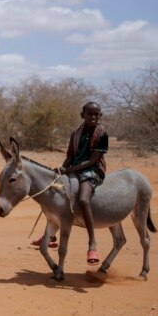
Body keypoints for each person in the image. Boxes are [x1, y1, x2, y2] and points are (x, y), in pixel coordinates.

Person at [59, 101, 108, 266]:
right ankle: (50, 235)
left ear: (100, 115)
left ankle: (92, 244)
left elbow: (93, 160)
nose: (94, 117)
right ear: (83, 115)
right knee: (55, 192)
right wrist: (62, 169)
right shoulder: (76, 133)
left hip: (93, 170)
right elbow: (70, 155)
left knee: (83, 200)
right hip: (74, 168)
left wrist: (71, 169)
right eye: (90, 114)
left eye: (97, 114)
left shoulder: (102, 134)